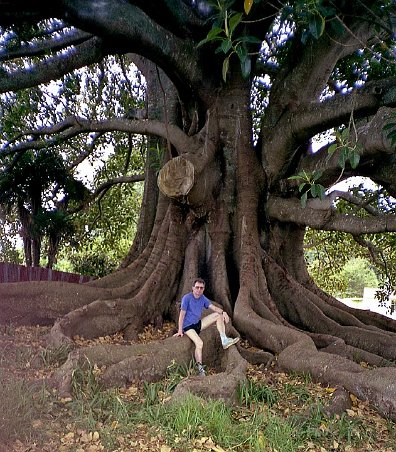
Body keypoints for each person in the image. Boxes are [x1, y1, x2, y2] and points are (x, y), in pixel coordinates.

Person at [174, 277, 239, 376]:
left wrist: (224, 312)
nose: (199, 290)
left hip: (198, 324)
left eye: (201, 288)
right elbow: (181, 315)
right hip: (188, 327)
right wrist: (180, 330)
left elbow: (213, 308)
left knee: (218, 316)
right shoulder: (187, 298)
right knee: (199, 343)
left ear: (203, 289)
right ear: (193, 288)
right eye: (197, 287)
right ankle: (200, 369)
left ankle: (224, 339)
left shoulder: (203, 298)